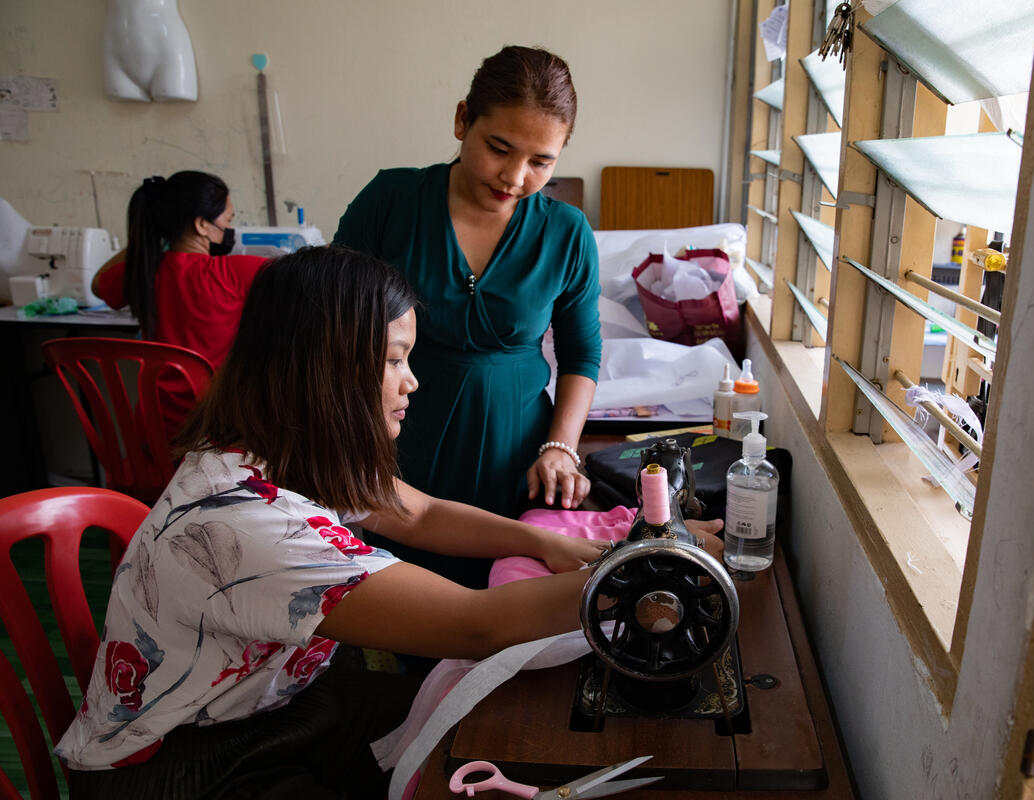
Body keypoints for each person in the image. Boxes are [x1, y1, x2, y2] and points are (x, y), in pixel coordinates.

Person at [55, 245, 728, 798]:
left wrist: (557, 544)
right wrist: (651, 561)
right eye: (394, 360)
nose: (411, 382)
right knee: (473, 729)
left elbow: (421, 511)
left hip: (275, 703)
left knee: (471, 717)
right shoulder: (246, 523)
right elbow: (477, 622)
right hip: (186, 766)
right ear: (326, 373)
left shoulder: (285, 449)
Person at [333, 46, 601, 587]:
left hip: (515, 452)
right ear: (462, 121)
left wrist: (561, 449)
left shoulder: (567, 233)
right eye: (498, 148)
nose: (514, 176)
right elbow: (329, 318)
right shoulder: (393, 200)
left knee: (497, 598)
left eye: (541, 162)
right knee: (399, 598)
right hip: (394, 442)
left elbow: (581, 353)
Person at [91, 170, 269, 435]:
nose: (230, 229)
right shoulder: (232, 271)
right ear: (201, 225)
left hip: (155, 428)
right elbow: (302, 276)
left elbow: (98, 284)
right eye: (228, 220)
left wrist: (146, 236)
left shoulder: (146, 272)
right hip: (214, 429)